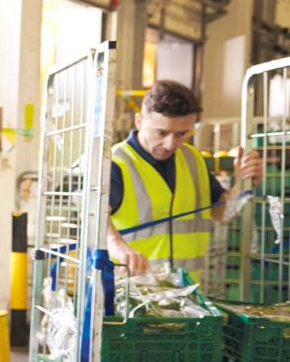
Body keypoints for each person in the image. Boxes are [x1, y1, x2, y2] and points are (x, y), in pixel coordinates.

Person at [108, 80, 262, 277]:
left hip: (186, 294)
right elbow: (94, 216)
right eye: (161, 133)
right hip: (133, 293)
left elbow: (220, 213)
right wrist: (117, 244)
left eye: (182, 134)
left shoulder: (192, 158)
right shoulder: (116, 162)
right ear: (139, 121)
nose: (171, 144)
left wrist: (242, 182)